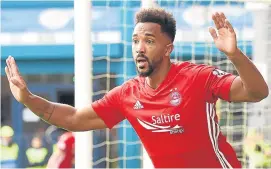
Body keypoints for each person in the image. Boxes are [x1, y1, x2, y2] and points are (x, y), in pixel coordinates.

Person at [4, 7, 269, 168]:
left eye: (149, 41)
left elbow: (257, 92)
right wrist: (28, 99)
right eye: (135, 40)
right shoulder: (127, 94)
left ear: (168, 49)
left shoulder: (198, 77)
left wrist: (235, 56)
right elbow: (73, 119)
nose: (139, 48)